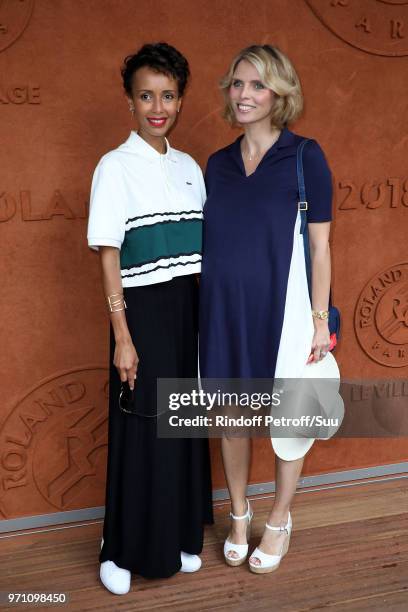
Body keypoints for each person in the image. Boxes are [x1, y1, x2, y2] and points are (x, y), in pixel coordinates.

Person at [199, 44, 336, 574]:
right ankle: (238, 513)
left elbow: (321, 247)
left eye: (257, 85)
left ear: (280, 93)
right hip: (225, 312)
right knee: (231, 416)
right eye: (237, 84)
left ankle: (279, 519)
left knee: (290, 418)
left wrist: (320, 323)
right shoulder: (217, 164)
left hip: (288, 314)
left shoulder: (305, 157)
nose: (244, 95)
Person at [87, 42, 213, 595]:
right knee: (141, 431)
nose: (156, 106)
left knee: (182, 428)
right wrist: (122, 336)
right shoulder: (114, 167)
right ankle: (118, 550)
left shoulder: (189, 168)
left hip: (187, 312)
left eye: (167, 95)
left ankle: (181, 535)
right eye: (145, 96)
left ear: (180, 100)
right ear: (130, 102)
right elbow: (108, 253)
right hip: (141, 313)